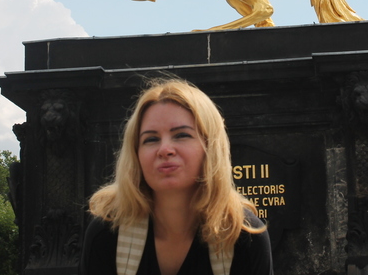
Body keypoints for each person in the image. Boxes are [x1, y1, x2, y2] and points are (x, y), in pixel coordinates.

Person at [80, 78, 273, 275]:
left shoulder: (244, 237)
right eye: (151, 139)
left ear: (211, 148)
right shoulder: (107, 235)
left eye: (181, 135)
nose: (165, 149)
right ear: (135, 155)